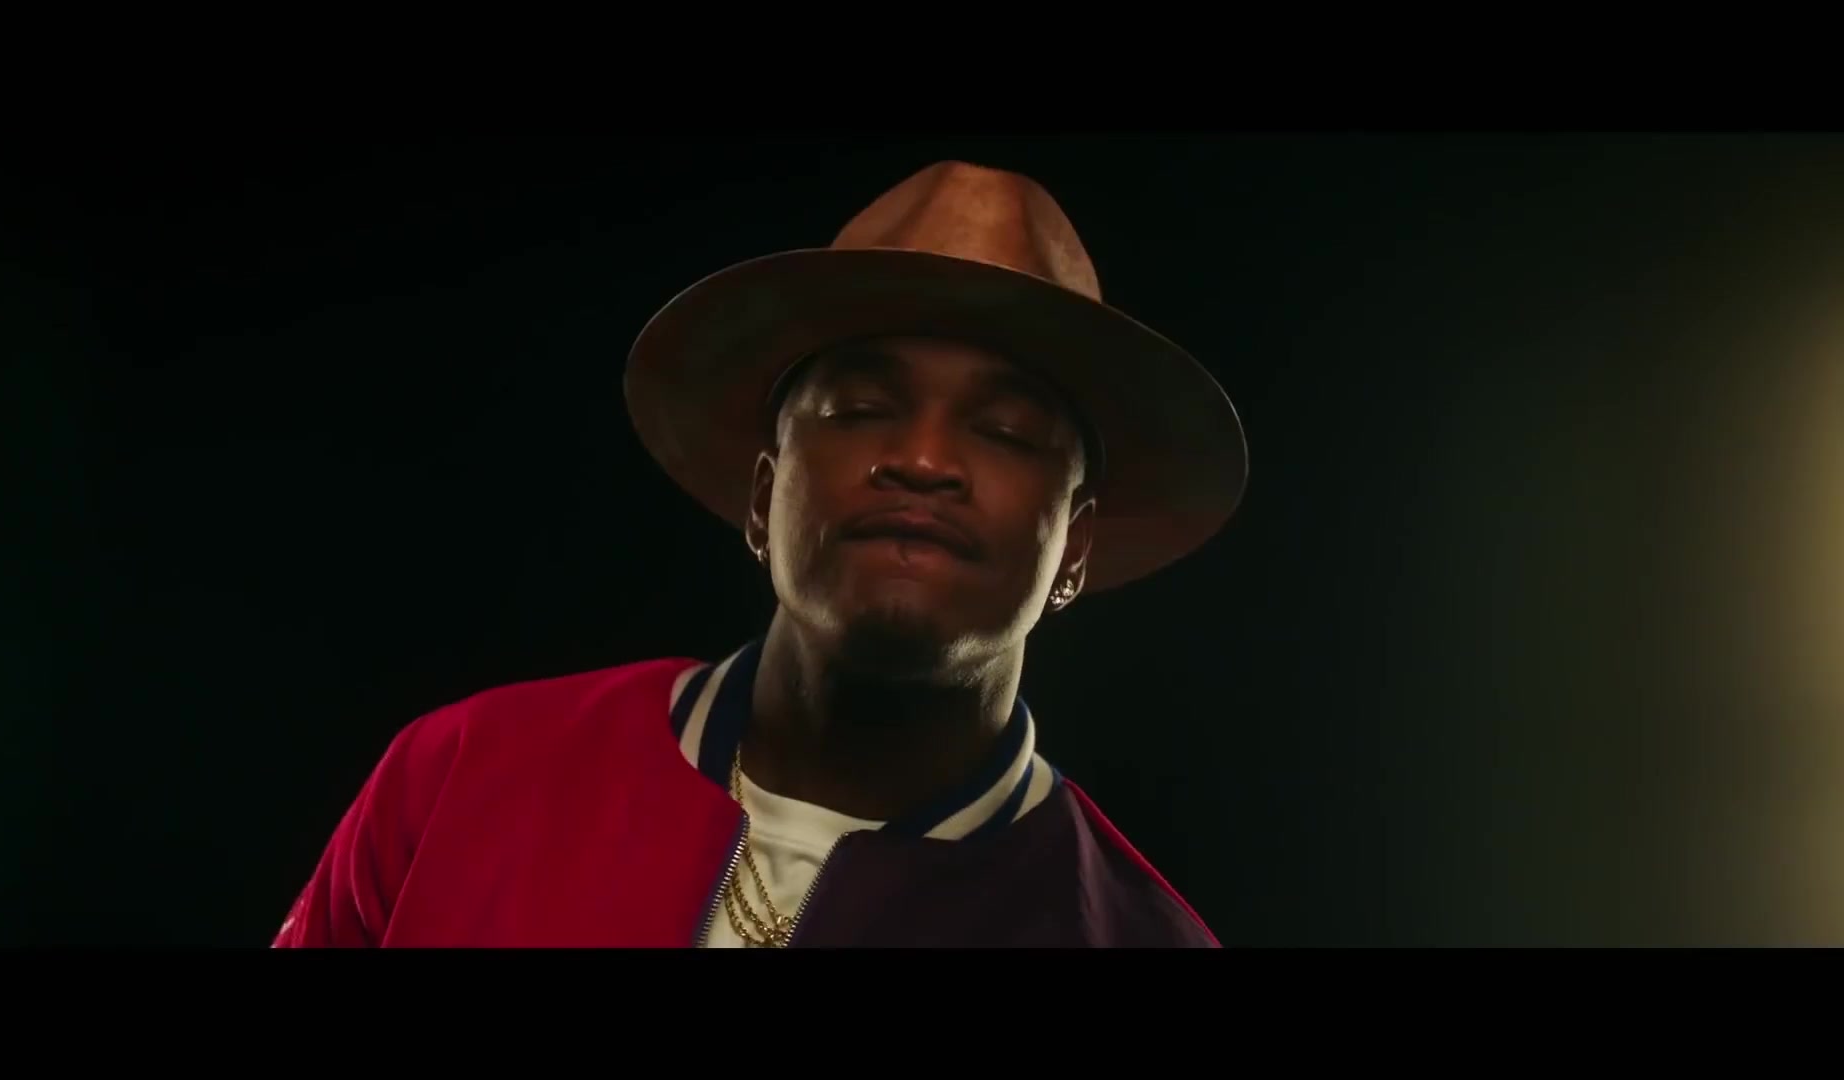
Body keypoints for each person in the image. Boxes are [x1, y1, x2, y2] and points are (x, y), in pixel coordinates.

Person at [271, 159, 1249, 948]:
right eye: (859, 409)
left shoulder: (1136, 938)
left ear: (1075, 546)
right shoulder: (462, 774)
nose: (922, 460)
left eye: (1005, 432)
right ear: (760, 495)